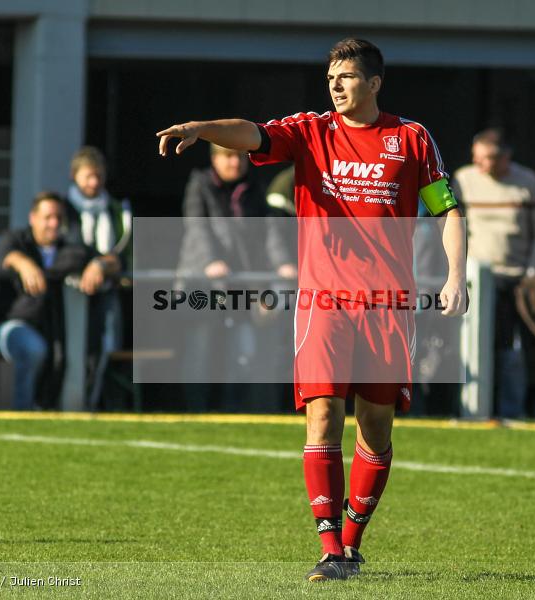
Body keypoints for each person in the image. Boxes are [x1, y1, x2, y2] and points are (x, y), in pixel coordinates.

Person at [158, 38, 466, 582]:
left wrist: (456, 275)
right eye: (331, 78)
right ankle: (329, 549)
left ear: (374, 83)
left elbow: (447, 210)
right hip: (323, 300)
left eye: (347, 77)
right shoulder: (309, 131)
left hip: (388, 305)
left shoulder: (411, 138)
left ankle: (352, 541)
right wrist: (201, 128)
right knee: (322, 415)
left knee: (375, 427)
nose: (337, 86)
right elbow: (252, 133)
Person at [175, 143, 296, 412]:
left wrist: (283, 264)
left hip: (243, 285)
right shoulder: (200, 184)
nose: (235, 163)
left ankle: (237, 410)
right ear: (215, 159)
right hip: (203, 285)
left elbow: (270, 232)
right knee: (202, 348)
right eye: (229, 157)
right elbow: (197, 227)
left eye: (240, 157)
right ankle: (195, 412)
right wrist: (210, 262)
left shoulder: (256, 187)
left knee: (242, 352)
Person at [0, 191, 120, 411]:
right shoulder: (16, 241)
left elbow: (115, 260)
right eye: (48, 217)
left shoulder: (68, 248)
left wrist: (100, 265)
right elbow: (5, 255)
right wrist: (23, 264)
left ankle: (50, 407)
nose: (54, 223)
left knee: (82, 351)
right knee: (33, 348)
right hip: (13, 324)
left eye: (58, 218)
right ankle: (23, 413)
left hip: (55, 331)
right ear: (33, 218)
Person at [452, 128, 535, 417]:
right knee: (472, 348)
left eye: (491, 158)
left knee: (513, 352)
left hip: (517, 277)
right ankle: (469, 410)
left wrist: (532, 269)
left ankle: (512, 412)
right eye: (478, 158)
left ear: (507, 156)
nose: (483, 165)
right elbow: (453, 226)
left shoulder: (527, 180)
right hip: (476, 280)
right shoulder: (463, 179)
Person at [65, 146, 132, 408]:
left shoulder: (117, 211)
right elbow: (62, 251)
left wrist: (104, 265)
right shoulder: (63, 210)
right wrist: (91, 263)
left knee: (101, 354)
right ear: (74, 176)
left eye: (99, 177)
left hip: (105, 293)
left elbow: (126, 254)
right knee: (69, 356)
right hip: (69, 293)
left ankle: (93, 405)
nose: (94, 183)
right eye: (88, 176)